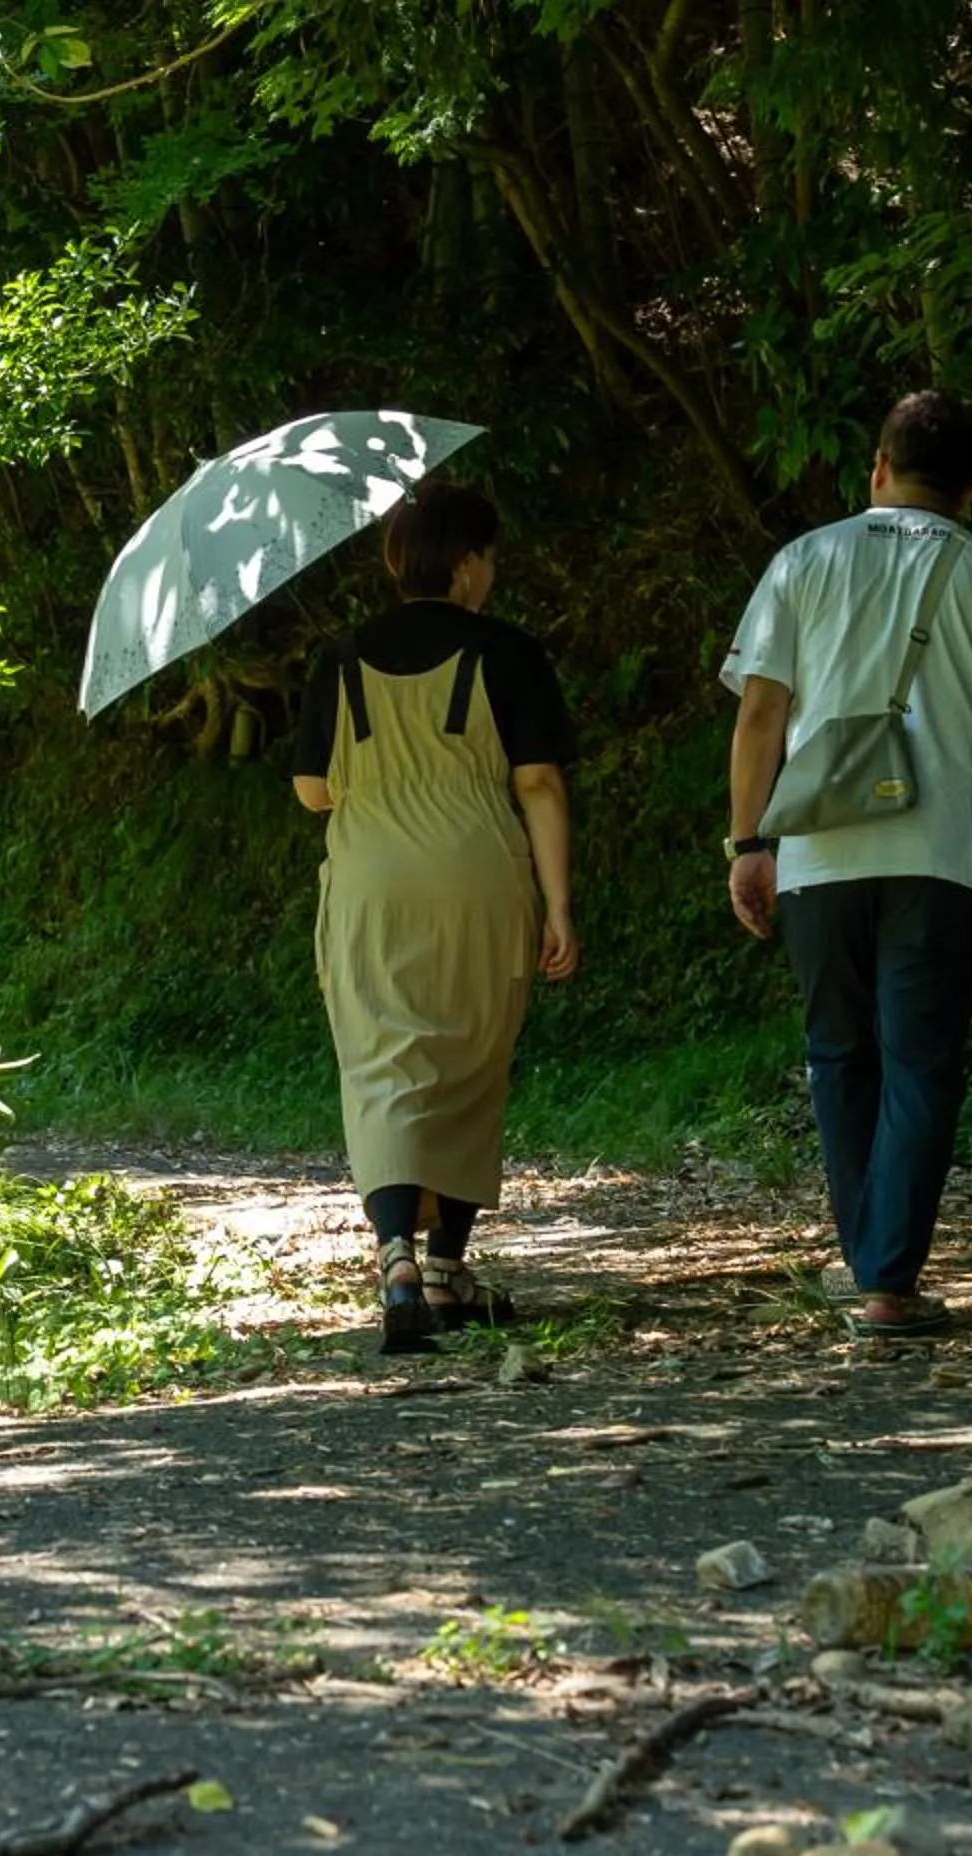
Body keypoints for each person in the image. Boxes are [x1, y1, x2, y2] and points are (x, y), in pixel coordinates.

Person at [719, 392, 972, 1337]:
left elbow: (760, 713)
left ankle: (868, 1262)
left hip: (815, 855)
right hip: (941, 863)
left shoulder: (805, 561)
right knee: (921, 1064)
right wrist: (971, 806)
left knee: (839, 1055)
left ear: (877, 466)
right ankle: (888, 1281)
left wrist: (748, 843)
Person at [294, 480, 580, 1354]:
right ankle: (452, 1261)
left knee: (382, 1060)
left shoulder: (338, 658)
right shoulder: (509, 652)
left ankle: (398, 1260)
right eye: (489, 558)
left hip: (372, 882)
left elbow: (313, 792)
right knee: (469, 1056)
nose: (491, 573)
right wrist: (558, 901)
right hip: (479, 875)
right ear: (464, 565)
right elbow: (537, 782)